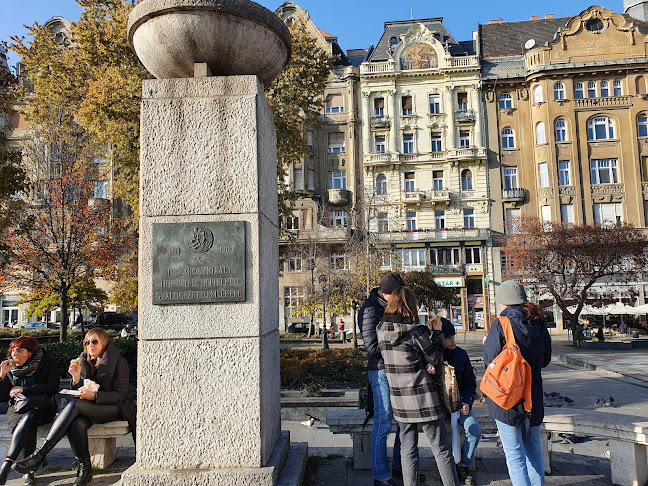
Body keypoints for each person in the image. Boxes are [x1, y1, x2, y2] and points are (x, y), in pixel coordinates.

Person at [14, 329, 136, 486]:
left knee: (75, 406)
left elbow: (121, 395)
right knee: (75, 424)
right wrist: (76, 377)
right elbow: (79, 391)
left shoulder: (118, 361)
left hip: (115, 407)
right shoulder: (84, 360)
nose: (90, 345)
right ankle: (85, 470)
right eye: (87, 342)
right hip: (90, 407)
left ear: (104, 342)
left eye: (94, 341)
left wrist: (94, 396)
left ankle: (39, 455)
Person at [377, 287, 459, 486]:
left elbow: (405, 359)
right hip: (423, 399)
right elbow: (435, 357)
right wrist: (438, 334)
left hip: (400, 401)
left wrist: (422, 362)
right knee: (441, 449)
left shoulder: (381, 331)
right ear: (410, 306)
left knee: (407, 449)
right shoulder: (415, 331)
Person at [483, 280, 551, 486]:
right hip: (533, 398)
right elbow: (546, 360)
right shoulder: (540, 323)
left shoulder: (502, 324)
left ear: (503, 302)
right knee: (534, 452)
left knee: (514, 456)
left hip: (507, 399)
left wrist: (487, 343)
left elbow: (490, 360)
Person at [359, 271, 405, 486]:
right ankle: (381, 475)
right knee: (383, 422)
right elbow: (372, 348)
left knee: (405, 421)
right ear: (387, 294)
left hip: (397, 369)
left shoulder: (391, 305)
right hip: (380, 371)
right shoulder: (370, 309)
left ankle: (399, 468)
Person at [0, 337, 58, 486]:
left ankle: (9, 464)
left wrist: (25, 389)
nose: (14, 354)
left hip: (42, 407)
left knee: (31, 416)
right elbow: (2, 397)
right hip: (18, 409)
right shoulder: (9, 368)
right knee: (28, 419)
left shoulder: (45, 362)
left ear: (30, 352)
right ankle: (28, 471)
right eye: (12, 350)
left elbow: (52, 387)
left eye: (19, 350)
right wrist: (1, 376)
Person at [438, 318, 480, 485]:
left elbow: (470, 382)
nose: (452, 340)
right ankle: (446, 468)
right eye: (448, 337)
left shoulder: (461, 354)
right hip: (439, 407)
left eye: (453, 336)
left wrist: (467, 401)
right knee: (439, 434)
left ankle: (464, 465)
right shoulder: (433, 357)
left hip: (459, 405)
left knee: (474, 429)